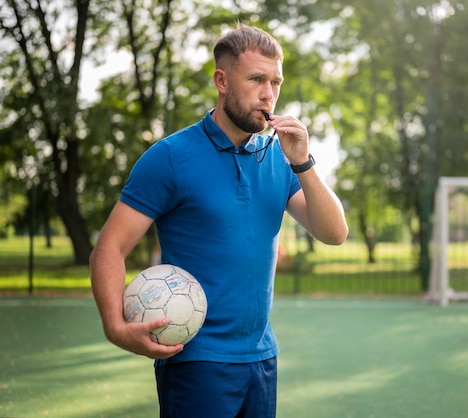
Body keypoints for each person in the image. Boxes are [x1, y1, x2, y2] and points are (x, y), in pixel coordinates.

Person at [90, 23, 348, 418]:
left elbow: (334, 233)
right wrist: (114, 326)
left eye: (276, 82)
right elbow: (110, 247)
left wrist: (303, 162)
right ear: (222, 81)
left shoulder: (280, 158)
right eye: (257, 79)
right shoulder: (171, 157)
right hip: (196, 361)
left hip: (262, 358)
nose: (269, 93)